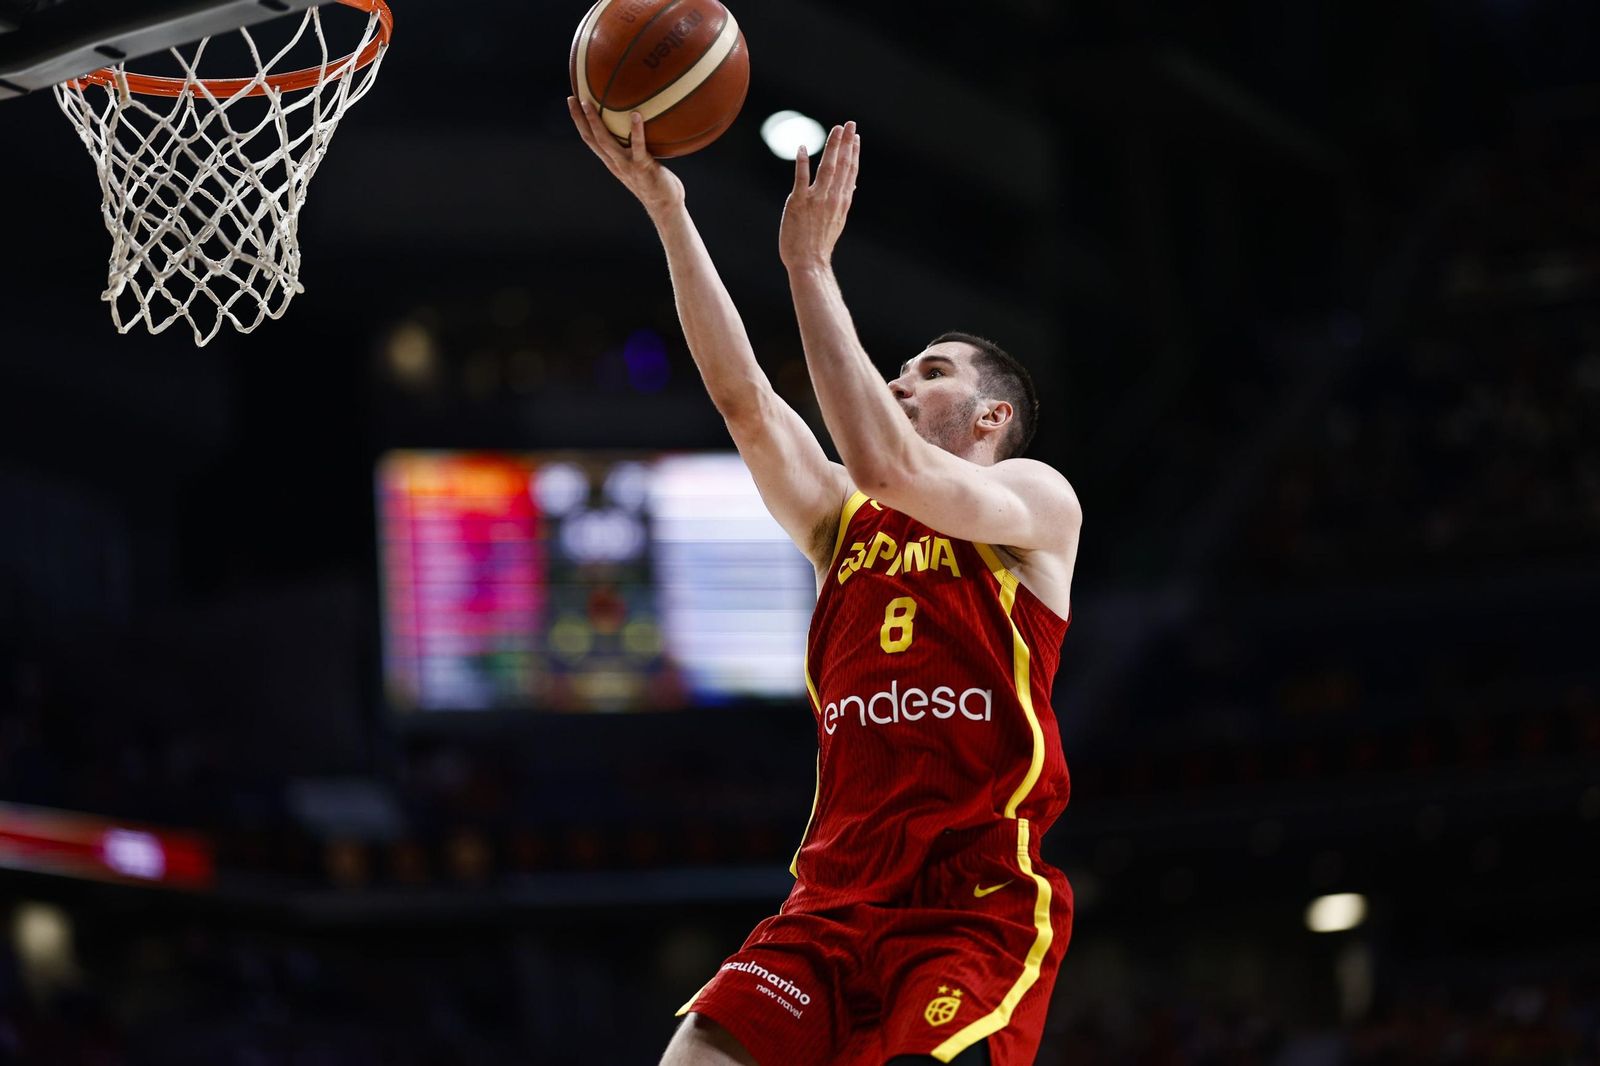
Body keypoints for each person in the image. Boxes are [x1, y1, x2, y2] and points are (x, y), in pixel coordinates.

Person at [568, 99, 1082, 1066]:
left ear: (990, 417)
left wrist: (811, 269)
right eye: (897, 369)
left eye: (927, 373)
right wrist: (666, 205)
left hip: (963, 908)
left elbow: (891, 466)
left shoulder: (1033, 505)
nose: (896, 383)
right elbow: (746, 402)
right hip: (828, 901)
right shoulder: (840, 521)